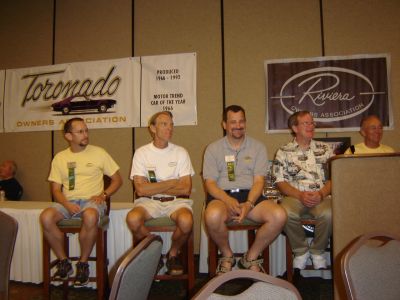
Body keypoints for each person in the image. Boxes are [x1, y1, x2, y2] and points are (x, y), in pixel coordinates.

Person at [203, 105, 286, 274]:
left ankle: (250, 257)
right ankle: (227, 255)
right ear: (224, 124)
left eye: (241, 121)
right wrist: (227, 200)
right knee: (212, 216)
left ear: (245, 123)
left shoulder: (258, 147)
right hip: (222, 197)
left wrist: (249, 203)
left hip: (251, 195)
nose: (238, 125)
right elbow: (210, 184)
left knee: (279, 216)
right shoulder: (213, 149)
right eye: (233, 122)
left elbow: (258, 181)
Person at [40, 117, 122, 286]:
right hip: (68, 202)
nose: (85, 135)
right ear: (69, 136)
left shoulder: (99, 152)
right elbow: (55, 190)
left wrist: (104, 195)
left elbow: (117, 180)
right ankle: (64, 261)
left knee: (90, 216)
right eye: (80, 132)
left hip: (92, 202)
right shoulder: (60, 158)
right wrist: (66, 204)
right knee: (46, 217)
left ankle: (83, 264)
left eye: (86, 130)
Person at [126, 111, 194, 276]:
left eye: (171, 124)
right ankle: (156, 251)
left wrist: (154, 186)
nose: (169, 128)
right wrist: (171, 182)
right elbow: (140, 189)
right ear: (152, 128)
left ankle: (172, 254)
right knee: (133, 219)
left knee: (186, 222)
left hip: (177, 202)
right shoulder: (142, 153)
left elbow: (185, 188)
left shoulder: (181, 152)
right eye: (164, 124)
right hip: (148, 201)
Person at [274, 111, 334, 270]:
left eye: (312, 123)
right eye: (305, 123)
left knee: (329, 214)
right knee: (284, 213)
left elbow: (335, 178)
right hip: (294, 196)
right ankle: (300, 251)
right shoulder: (283, 151)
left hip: (321, 196)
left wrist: (321, 193)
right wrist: (300, 195)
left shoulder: (326, 149)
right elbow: (280, 181)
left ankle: (317, 251)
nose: (311, 126)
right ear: (294, 127)